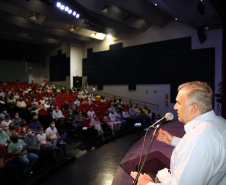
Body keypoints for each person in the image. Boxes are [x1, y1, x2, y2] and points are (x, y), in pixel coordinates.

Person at [131, 81, 226, 185]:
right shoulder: (220, 122)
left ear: (194, 108)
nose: (175, 107)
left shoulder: (198, 139)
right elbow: (210, 149)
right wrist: (173, 140)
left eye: (179, 103)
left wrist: (148, 184)